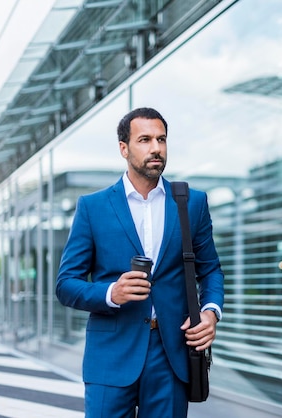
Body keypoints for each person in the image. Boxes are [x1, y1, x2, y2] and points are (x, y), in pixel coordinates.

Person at [56, 107, 224, 417]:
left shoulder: (191, 202)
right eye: (145, 139)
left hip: (171, 353)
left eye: (161, 139)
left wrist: (210, 313)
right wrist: (110, 294)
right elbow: (66, 285)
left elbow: (210, 269)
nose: (156, 148)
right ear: (124, 148)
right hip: (111, 354)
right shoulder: (93, 207)